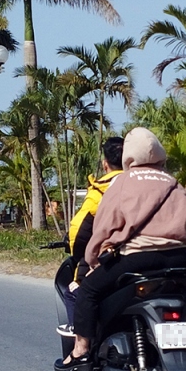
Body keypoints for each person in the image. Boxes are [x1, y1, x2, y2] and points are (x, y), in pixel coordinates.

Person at [54, 127, 186, 371]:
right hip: (177, 258)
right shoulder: (175, 184)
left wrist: (92, 260)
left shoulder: (122, 183)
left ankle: (79, 350)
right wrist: (183, 255)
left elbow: (103, 228)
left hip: (136, 259)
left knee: (88, 292)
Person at [57, 136, 125, 337]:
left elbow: (80, 229)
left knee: (74, 291)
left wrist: (77, 251)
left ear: (105, 164)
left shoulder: (101, 189)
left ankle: (80, 340)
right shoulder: (143, 184)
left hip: (108, 255)